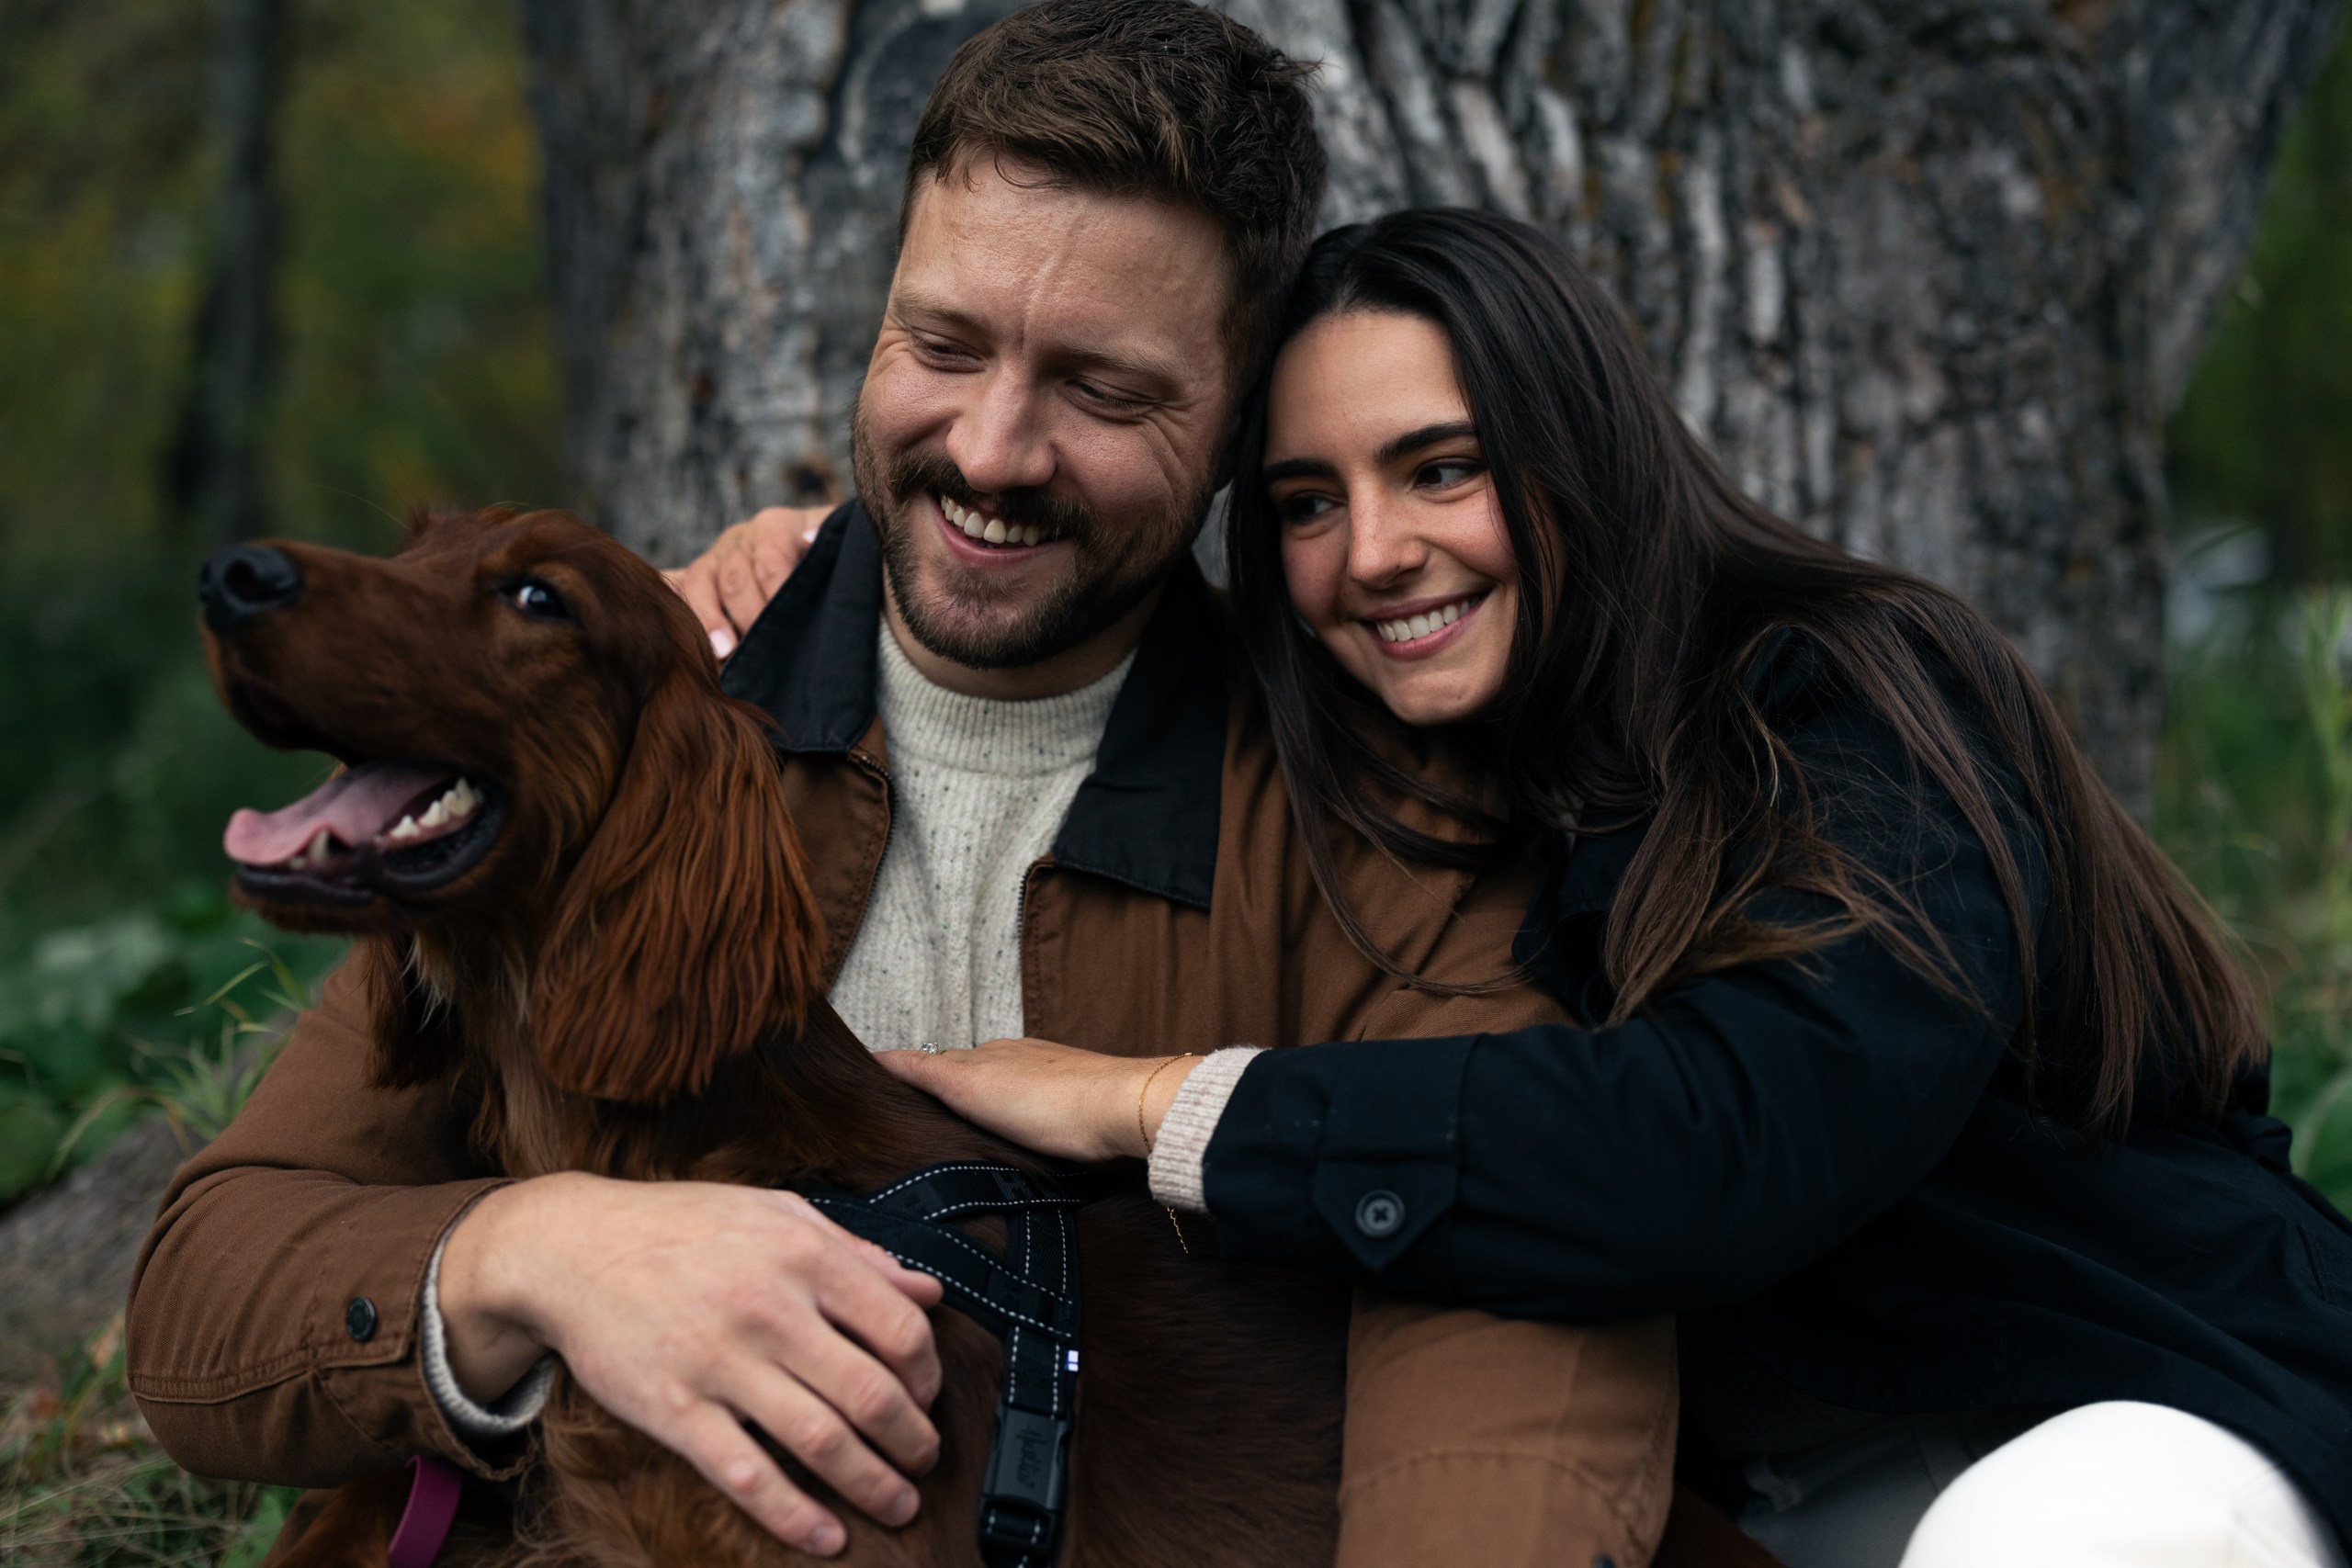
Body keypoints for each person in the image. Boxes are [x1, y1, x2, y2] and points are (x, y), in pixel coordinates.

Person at [127, 11, 1679, 1566]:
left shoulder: (1383, 843)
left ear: (1230, 431)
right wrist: (536, 1253)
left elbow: (1505, 1346)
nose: (993, 450)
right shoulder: (638, 719)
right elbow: (209, 1297)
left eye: (1104, 391)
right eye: (943, 347)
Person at [860, 209, 2352, 1567]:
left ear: (1575, 449)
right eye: (1308, 503)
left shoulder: (1842, 687)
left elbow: (1724, 1140)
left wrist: (1159, 1105)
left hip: (2145, 1426)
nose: (1375, 553)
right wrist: (811, 580)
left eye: (1442, 468)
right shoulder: (1406, 793)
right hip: (1790, 1513)